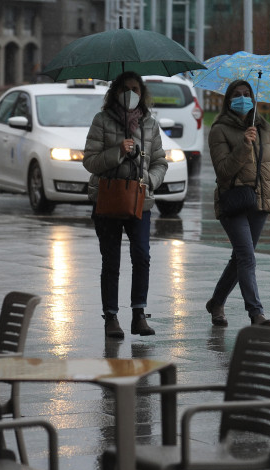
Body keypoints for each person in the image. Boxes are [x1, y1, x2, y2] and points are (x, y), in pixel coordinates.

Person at [83, 72, 168, 339]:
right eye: (125, 88)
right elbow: (90, 161)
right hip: (108, 199)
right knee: (111, 260)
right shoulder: (102, 120)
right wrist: (118, 151)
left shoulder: (150, 124)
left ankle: (139, 314)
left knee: (142, 256)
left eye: (135, 88)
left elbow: (160, 161)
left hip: (139, 200)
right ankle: (111, 317)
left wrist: (149, 181)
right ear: (115, 92)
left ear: (142, 94)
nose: (130, 93)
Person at [206, 79, 270, 328]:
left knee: (240, 258)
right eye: (237, 94)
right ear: (228, 100)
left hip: (259, 201)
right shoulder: (220, 129)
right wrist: (243, 145)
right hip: (234, 201)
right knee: (247, 257)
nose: (242, 98)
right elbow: (223, 171)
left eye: (247, 94)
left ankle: (216, 302)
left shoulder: (265, 127)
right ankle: (256, 313)